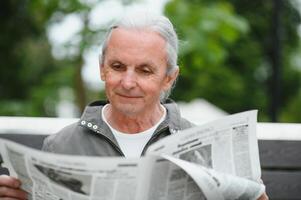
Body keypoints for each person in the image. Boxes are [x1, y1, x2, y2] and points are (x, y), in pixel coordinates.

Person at [0, 12, 268, 200]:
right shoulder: (60, 145)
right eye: (117, 67)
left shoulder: (204, 148)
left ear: (168, 78)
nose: (128, 82)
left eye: (144, 70)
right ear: (102, 70)